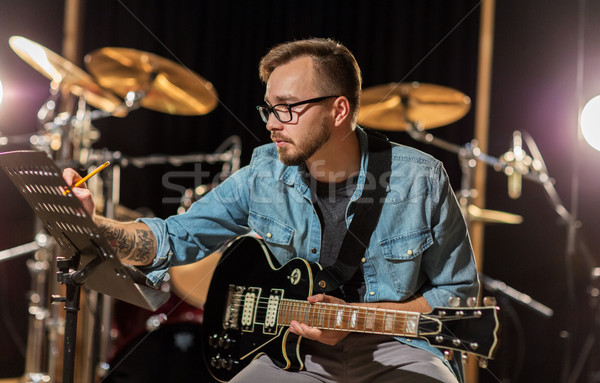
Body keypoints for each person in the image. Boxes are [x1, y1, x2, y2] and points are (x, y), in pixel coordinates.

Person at [64, 38, 479, 383]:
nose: (271, 123)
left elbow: (456, 297)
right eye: (268, 108)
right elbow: (176, 237)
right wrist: (94, 225)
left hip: (397, 351)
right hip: (294, 354)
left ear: (338, 110)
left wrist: (355, 318)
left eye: (287, 107)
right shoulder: (263, 171)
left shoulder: (421, 179)